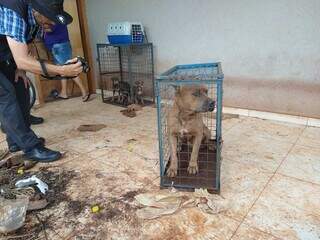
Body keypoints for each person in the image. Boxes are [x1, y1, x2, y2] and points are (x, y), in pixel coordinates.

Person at [0, 0, 83, 162]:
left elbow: (27, 47)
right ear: (37, 12)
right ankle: (31, 148)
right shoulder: (14, 9)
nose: (52, 23)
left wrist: (20, 70)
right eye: (50, 18)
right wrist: (61, 70)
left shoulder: (36, 23)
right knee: (6, 97)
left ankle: (15, 141)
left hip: (5, 55)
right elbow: (23, 59)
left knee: (21, 89)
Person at [44, 24, 90, 102]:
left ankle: (84, 92)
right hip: (62, 45)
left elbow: (50, 29)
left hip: (59, 46)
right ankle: (64, 92)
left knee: (68, 69)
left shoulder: (53, 17)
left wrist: (41, 27)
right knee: (63, 70)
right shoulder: (60, 17)